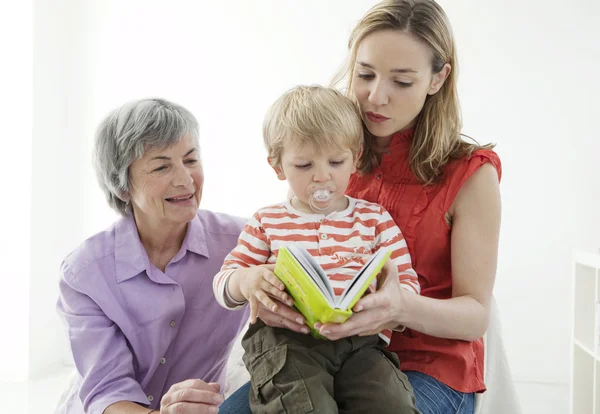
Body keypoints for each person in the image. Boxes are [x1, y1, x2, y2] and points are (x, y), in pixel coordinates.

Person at [220, 1, 501, 413]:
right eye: (365, 74)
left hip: (427, 363)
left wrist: (399, 306)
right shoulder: (331, 151)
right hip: (316, 348)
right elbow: (275, 244)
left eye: (402, 82)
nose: (376, 97)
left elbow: (476, 315)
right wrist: (264, 293)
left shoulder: (470, 174)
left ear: (438, 78)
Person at [213, 85, 421, 413]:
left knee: (391, 402)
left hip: (360, 343)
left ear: (355, 159)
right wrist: (246, 281)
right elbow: (224, 282)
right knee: (301, 406)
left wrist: (387, 303)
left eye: (336, 161)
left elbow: (406, 284)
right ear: (278, 166)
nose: (322, 176)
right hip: (285, 343)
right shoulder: (267, 221)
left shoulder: (374, 219)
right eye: (304, 165)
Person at [55, 98, 249, 414]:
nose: (185, 180)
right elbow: (107, 392)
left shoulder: (243, 243)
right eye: (161, 166)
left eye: (190, 160)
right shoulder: (85, 273)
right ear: (122, 188)